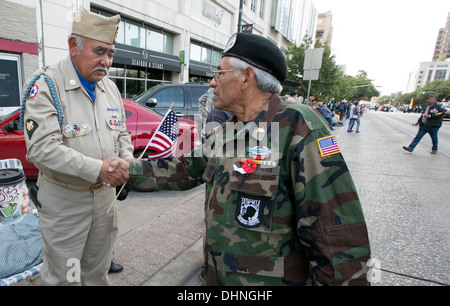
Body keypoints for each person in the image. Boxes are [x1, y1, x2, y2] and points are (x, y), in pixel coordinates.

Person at [124, 33, 371, 286]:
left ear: (246, 77)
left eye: (219, 73)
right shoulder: (225, 132)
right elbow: (183, 170)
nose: (212, 83)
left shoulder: (298, 126)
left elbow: (337, 239)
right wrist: (125, 170)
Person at [22, 7, 132, 286]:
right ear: (74, 46)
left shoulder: (111, 88)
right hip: (66, 204)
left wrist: (126, 162)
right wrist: (99, 169)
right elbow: (42, 148)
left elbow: (121, 134)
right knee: (66, 279)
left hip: (105, 203)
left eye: (110, 54)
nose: (106, 62)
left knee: (97, 273)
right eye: (99, 52)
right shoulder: (46, 85)